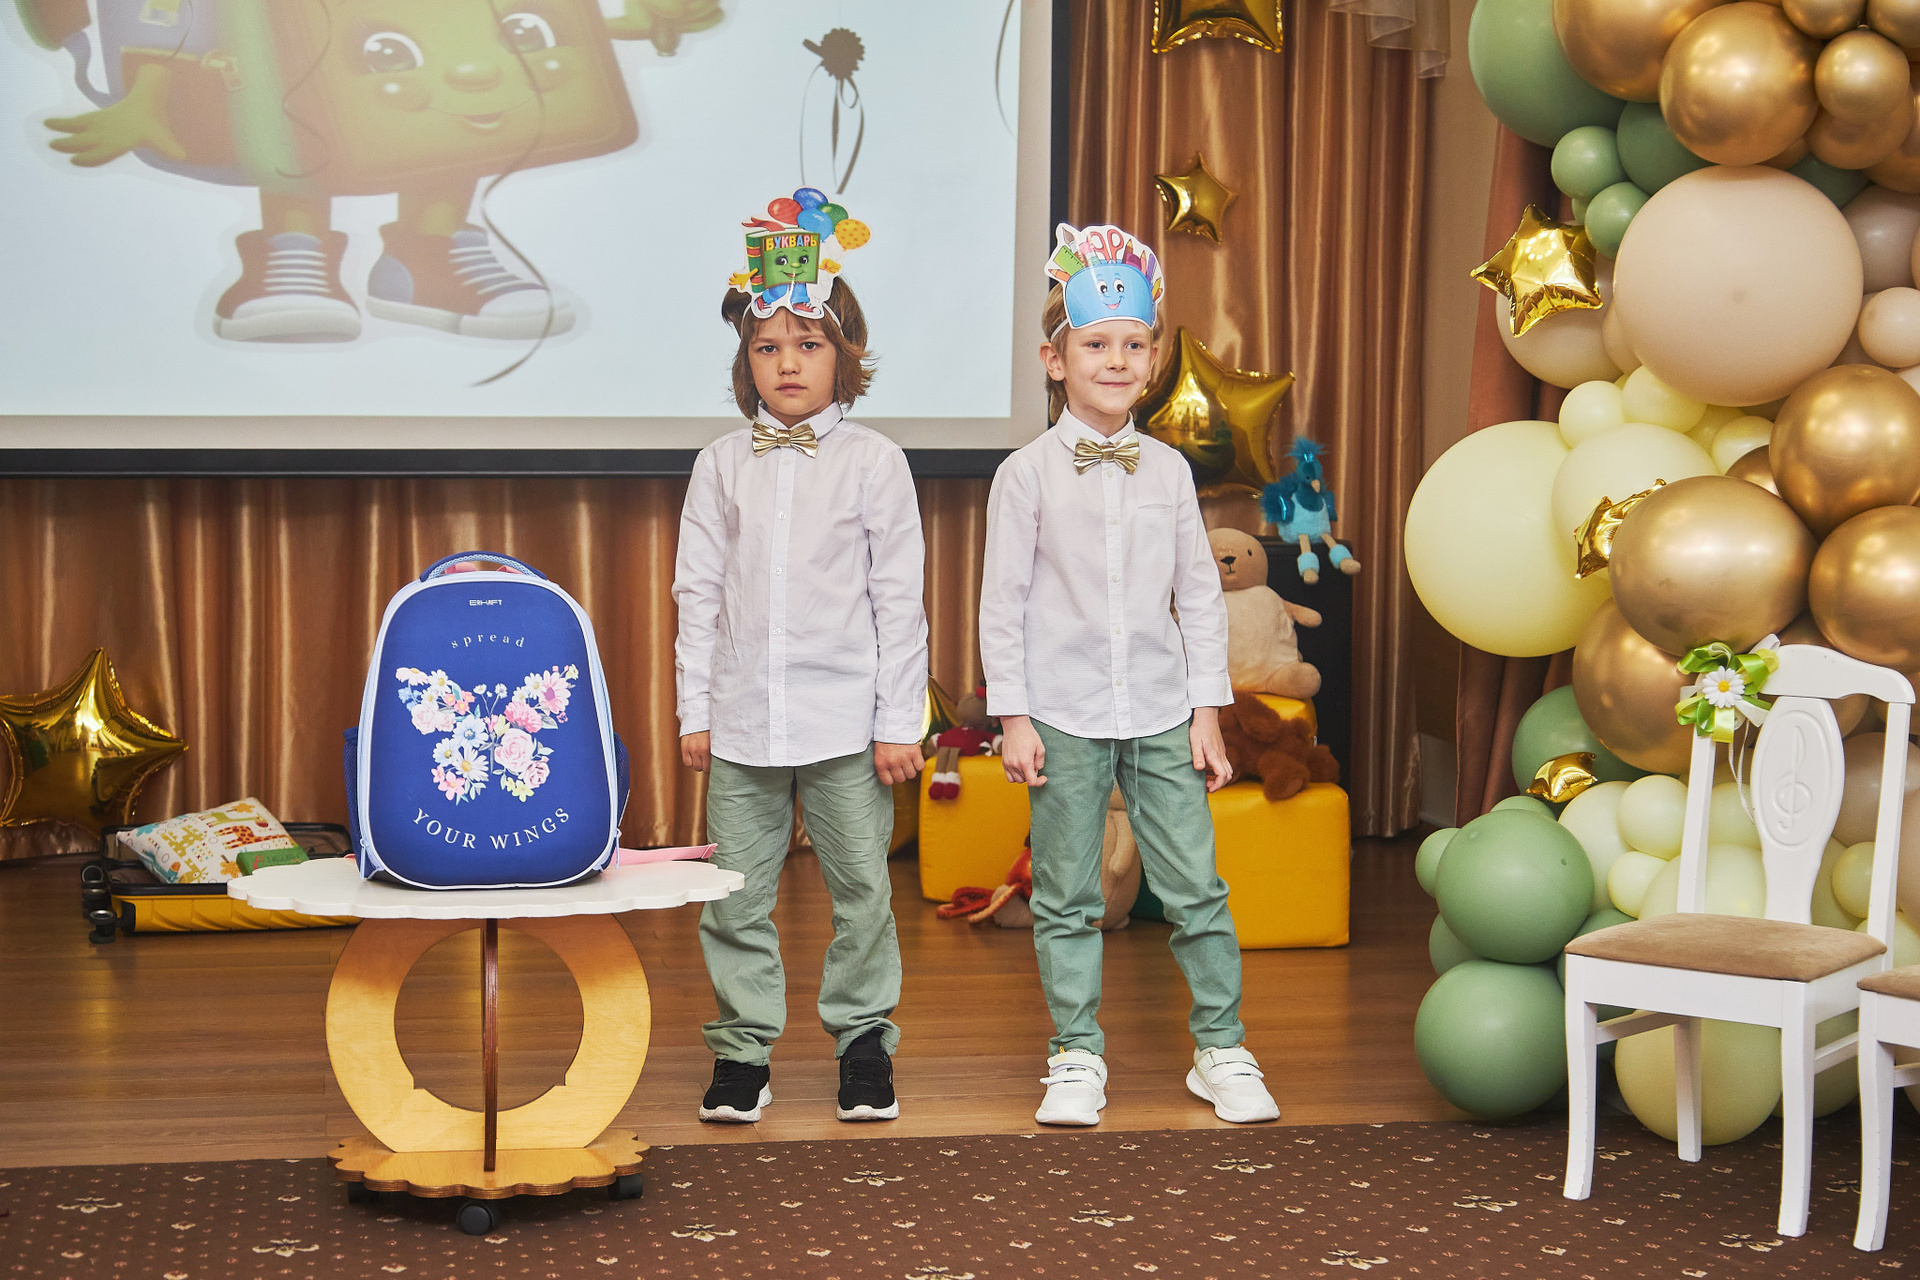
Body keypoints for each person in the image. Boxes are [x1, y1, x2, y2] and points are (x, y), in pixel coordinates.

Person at [979, 222, 1280, 1127]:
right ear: (1055, 360)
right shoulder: (1024, 476)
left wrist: (1207, 711)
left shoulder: (1170, 472)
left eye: (1133, 345)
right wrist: (1014, 717)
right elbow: (1003, 603)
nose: (1115, 360)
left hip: (1159, 709)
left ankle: (1221, 1048)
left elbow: (1199, 594)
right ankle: (1075, 1053)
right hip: (1062, 712)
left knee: (1196, 887)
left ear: (1151, 360)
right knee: (1067, 894)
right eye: (1095, 344)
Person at [673, 194, 927, 1124]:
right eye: (767, 346)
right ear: (746, 362)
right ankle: (743, 1051)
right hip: (744, 721)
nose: (787, 363)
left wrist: (900, 722)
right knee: (735, 897)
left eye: (808, 344)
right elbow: (697, 594)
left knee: (862, 889)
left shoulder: (875, 462)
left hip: (847, 722)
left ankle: (864, 1045)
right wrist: (694, 709)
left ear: (843, 357)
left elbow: (899, 601)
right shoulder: (719, 465)